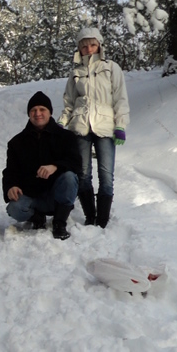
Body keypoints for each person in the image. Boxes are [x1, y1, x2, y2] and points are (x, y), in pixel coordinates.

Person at [57, 27, 130, 228]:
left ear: (99, 45)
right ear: (79, 49)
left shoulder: (111, 68)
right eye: (84, 46)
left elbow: (120, 99)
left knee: (106, 174)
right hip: (80, 127)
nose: (88, 49)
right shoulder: (76, 72)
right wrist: (61, 123)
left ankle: (103, 219)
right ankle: (91, 216)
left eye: (92, 44)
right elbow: (69, 103)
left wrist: (120, 125)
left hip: (105, 128)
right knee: (83, 174)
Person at [2, 91, 81, 240]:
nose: (37, 113)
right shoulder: (16, 142)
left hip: (56, 196)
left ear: (49, 112)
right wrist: (11, 186)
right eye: (33, 110)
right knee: (14, 208)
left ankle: (59, 222)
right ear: (29, 114)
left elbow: (76, 163)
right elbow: (10, 171)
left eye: (42, 109)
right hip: (32, 196)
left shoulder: (66, 137)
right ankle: (36, 217)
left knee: (70, 177)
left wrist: (55, 166)